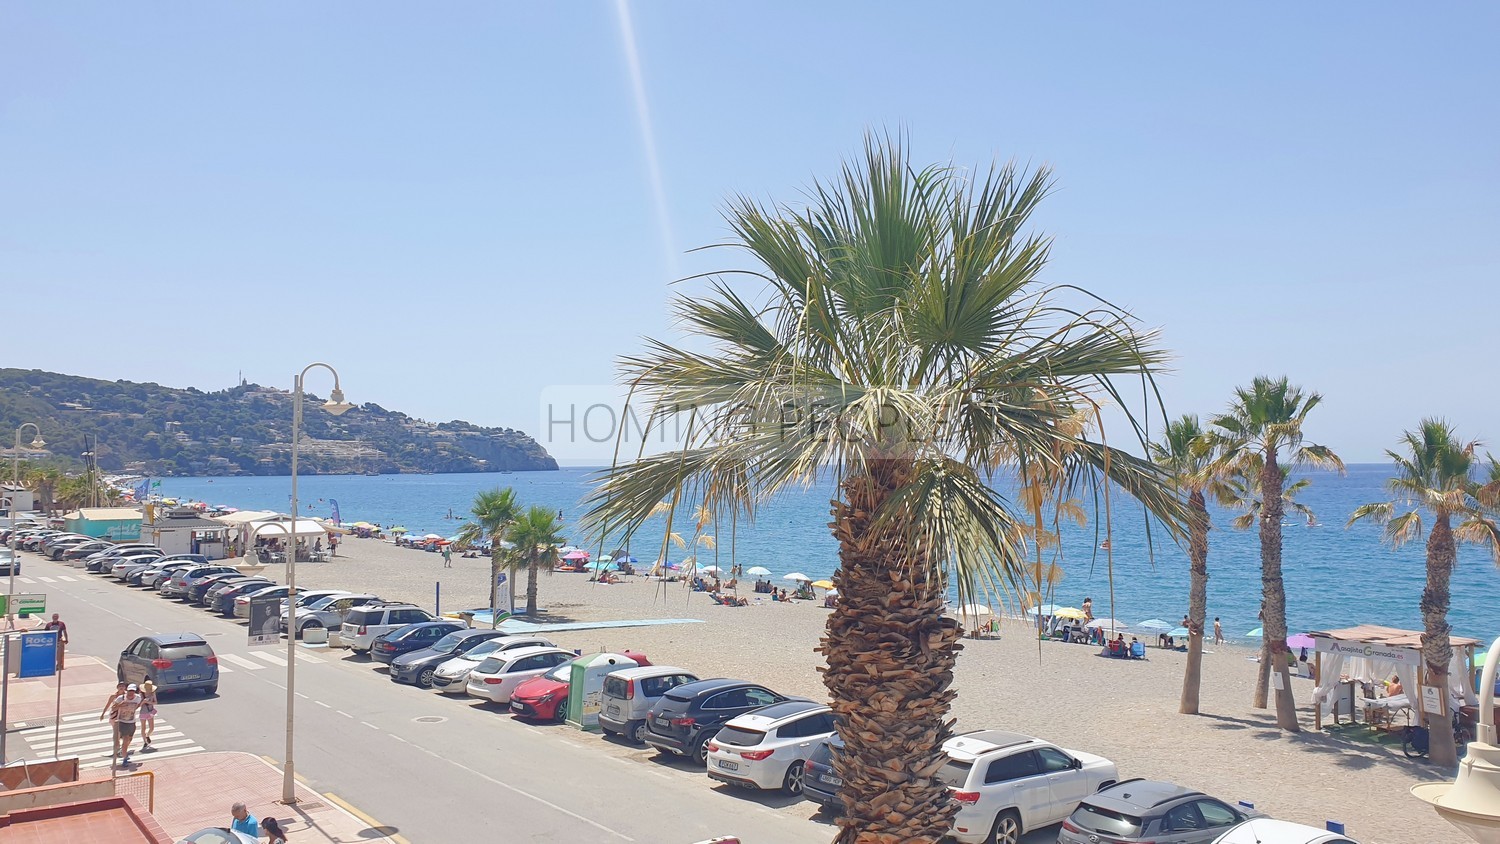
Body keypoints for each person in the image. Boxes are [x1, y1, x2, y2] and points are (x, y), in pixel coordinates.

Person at [100, 683, 143, 764]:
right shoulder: (121, 698)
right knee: (125, 739)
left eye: (132, 691)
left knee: (129, 739)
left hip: (132, 721)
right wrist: (120, 705)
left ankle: (123, 751)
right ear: (127, 691)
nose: (131, 693)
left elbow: (138, 705)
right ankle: (124, 757)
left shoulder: (138, 698)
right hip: (122, 722)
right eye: (129, 691)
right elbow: (113, 707)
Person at [139, 679, 159, 750]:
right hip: (143, 712)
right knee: (143, 727)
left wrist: (149, 702)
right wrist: (143, 702)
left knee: (151, 727)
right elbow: (139, 705)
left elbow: (155, 702)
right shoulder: (141, 694)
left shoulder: (153, 693)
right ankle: (145, 741)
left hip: (150, 711)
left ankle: (147, 736)